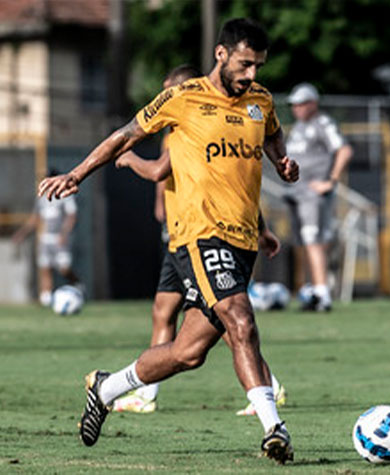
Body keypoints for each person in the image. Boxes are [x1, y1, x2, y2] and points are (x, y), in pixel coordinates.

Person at [38, 18, 298, 464]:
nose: (251, 75)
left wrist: (281, 163)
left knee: (188, 352)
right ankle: (274, 428)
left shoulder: (261, 101)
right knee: (241, 319)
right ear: (221, 54)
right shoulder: (183, 98)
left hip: (242, 242)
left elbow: (270, 138)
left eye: (258, 66)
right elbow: (125, 136)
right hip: (198, 236)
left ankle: (108, 387)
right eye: (244, 64)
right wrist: (76, 174)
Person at [112, 65, 288, 417]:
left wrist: (130, 159)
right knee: (182, 315)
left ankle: (267, 388)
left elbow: (163, 170)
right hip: (182, 236)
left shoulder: (188, 121)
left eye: (166, 90)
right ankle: (144, 391)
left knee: (225, 320)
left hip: (197, 239)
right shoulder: (180, 125)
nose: (161, 98)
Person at [284, 83, 353, 312]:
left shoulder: (322, 123)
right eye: (295, 105)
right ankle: (311, 290)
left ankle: (323, 293)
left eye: (302, 104)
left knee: (314, 240)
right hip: (296, 193)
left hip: (312, 194)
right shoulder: (299, 128)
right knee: (303, 242)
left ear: (313, 103)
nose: (297, 109)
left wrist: (330, 181)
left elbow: (344, 150)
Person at [12, 169, 81, 307]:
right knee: (45, 267)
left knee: (64, 268)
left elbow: (71, 216)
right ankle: (46, 298)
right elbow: (35, 219)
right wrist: (22, 233)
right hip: (45, 238)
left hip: (59, 238)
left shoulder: (65, 196)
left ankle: (77, 285)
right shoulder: (41, 198)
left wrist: (64, 233)